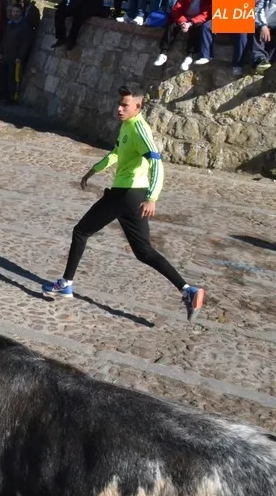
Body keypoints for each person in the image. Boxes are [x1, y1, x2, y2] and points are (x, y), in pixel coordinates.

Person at [42, 83, 206, 322]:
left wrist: (152, 197)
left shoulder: (140, 129)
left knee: (80, 232)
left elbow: (157, 162)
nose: (119, 108)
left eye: (124, 105)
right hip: (130, 197)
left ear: (138, 106)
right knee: (144, 251)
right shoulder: (127, 126)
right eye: (118, 103)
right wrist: (94, 170)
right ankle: (188, 290)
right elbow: (117, 153)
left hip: (126, 194)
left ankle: (65, 284)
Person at [152, 0, 213, 72]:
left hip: (196, 19)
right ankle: (163, 53)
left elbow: (206, 14)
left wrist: (190, 23)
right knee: (171, 26)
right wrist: (183, 21)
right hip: (184, 17)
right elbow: (177, 9)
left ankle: (189, 56)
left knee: (197, 28)